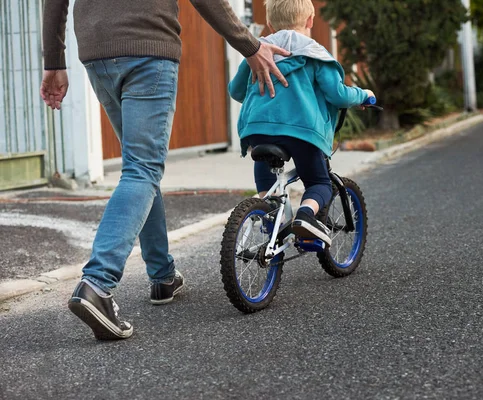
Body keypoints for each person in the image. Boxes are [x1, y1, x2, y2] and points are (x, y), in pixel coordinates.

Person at [40, 0, 290, 340]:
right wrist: (250, 45)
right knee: (142, 169)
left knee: (139, 167)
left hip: (97, 51)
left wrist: (54, 59)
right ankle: (97, 283)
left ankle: (162, 276)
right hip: (147, 45)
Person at [228, 0, 374, 246]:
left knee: (267, 174)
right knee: (319, 182)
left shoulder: (258, 50)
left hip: (258, 130)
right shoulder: (315, 53)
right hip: (302, 132)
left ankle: (268, 212)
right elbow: (337, 94)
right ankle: (306, 216)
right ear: (310, 21)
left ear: (271, 24)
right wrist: (363, 95)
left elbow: (236, 91)